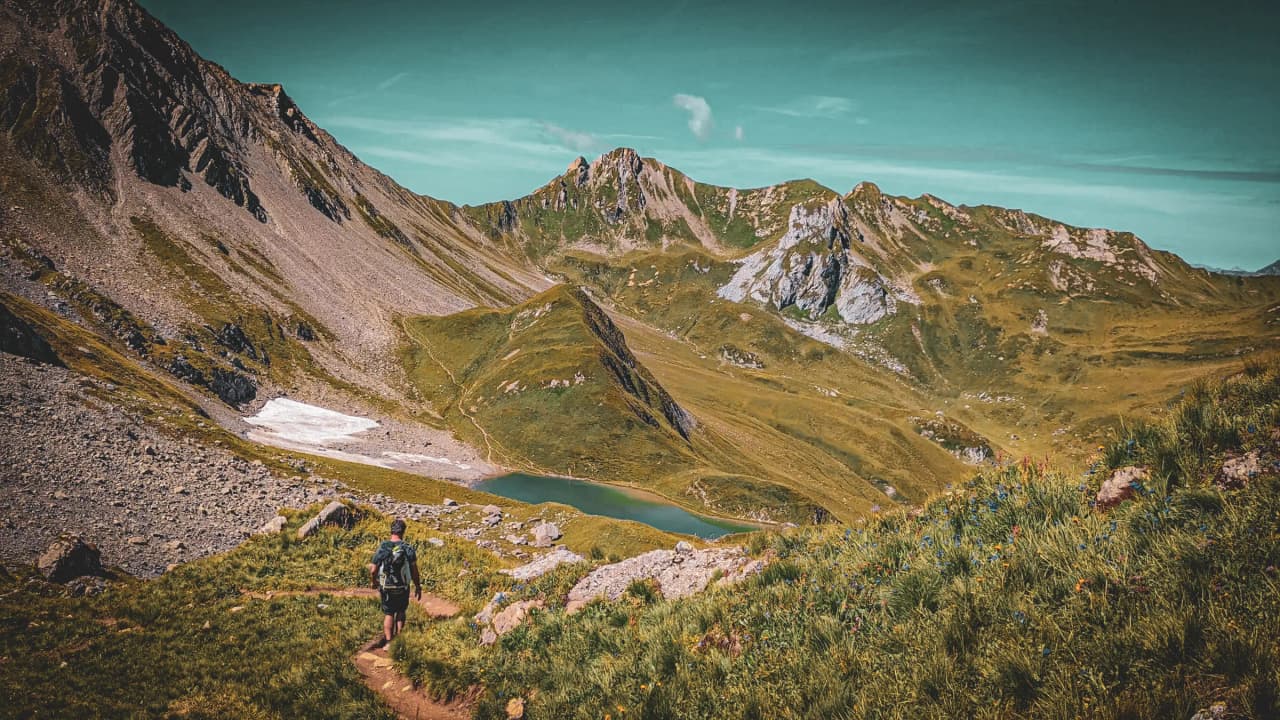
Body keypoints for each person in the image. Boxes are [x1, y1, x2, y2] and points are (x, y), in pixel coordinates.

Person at [368, 518, 421, 648]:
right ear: (403, 532)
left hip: (386, 586)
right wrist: (418, 586)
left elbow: (373, 569)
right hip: (402, 586)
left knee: (389, 613)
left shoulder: (383, 546)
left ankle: (388, 642)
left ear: (391, 531)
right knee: (401, 611)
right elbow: (414, 571)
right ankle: (399, 639)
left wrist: (374, 582)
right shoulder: (407, 548)